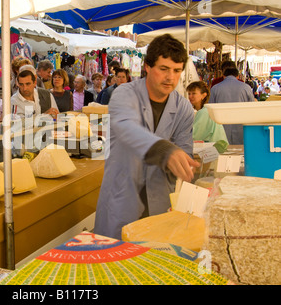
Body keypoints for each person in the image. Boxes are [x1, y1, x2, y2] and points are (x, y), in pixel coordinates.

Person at [94, 34, 200, 240]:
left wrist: (184, 166)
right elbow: (126, 127)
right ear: (147, 67)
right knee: (117, 263)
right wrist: (165, 151)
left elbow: (184, 150)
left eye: (177, 71)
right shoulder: (124, 94)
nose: (171, 78)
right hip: (122, 199)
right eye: (164, 69)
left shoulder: (184, 108)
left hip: (161, 203)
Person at [209, 66, 255, 145]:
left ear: (223, 76)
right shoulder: (246, 87)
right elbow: (252, 107)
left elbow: (210, 109)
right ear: (238, 76)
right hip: (241, 124)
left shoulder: (215, 88)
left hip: (222, 126)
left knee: (223, 150)